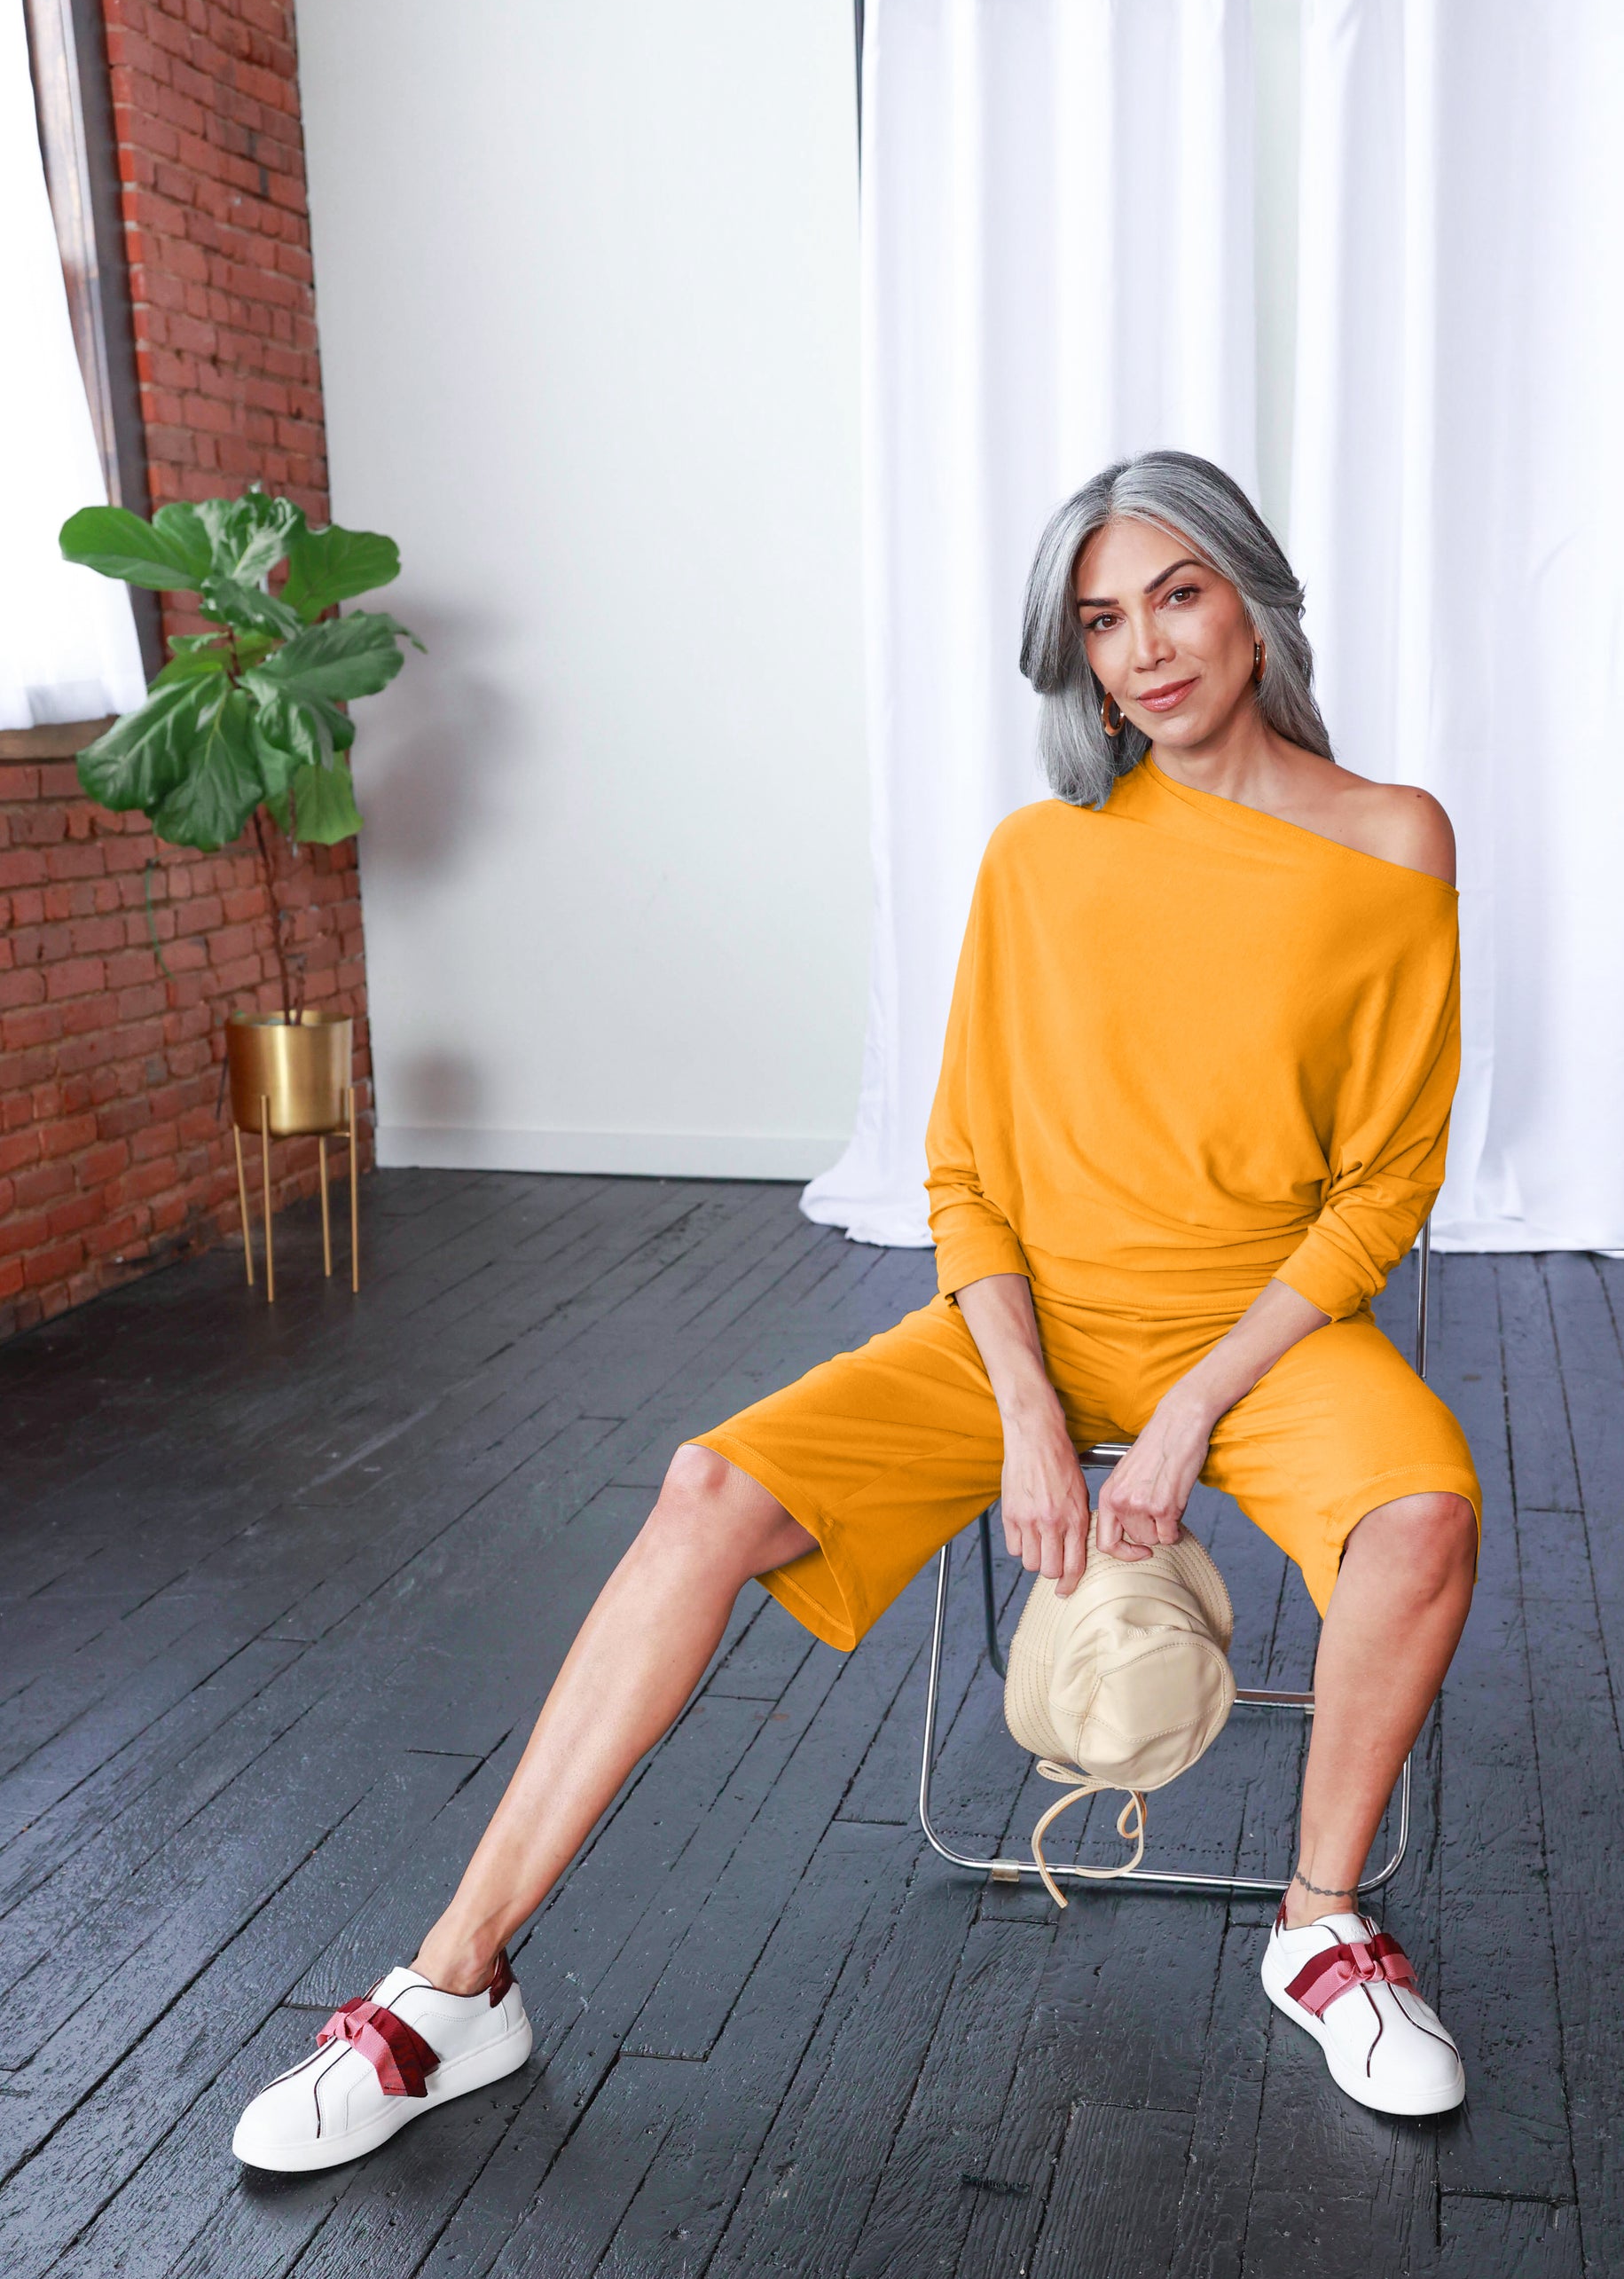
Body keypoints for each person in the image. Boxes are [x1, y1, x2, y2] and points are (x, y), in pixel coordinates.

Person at [232, 451, 1479, 2173]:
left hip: (1260, 1336)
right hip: (1023, 1329)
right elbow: (962, 1170)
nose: (1143, 651)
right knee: (704, 1491)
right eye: (1099, 621)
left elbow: (1383, 1188)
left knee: (1423, 1517)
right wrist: (1028, 1406)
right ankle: (454, 1988)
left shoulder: (1392, 840)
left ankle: (1319, 1925)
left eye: (1176, 596)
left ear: (1252, 605)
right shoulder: (1041, 858)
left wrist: (1193, 1406)